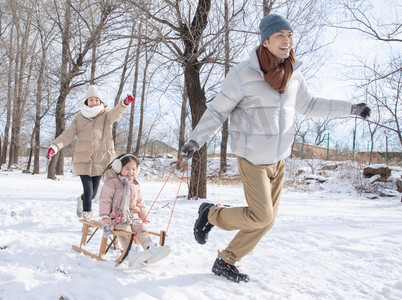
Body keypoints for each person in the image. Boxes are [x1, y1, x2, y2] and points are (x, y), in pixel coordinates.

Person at [181, 14, 371, 283]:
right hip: (252, 157)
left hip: (279, 158)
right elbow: (217, 110)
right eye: (280, 35)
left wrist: (351, 108)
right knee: (261, 214)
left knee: (266, 221)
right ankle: (210, 214)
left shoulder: (294, 73)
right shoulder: (243, 74)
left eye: (290, 35)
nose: (287, 40)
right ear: (266, 40)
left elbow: (311, 105)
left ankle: (226, 260)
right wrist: (194, 140)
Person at [46, 85, 135, 222]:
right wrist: (55, 147)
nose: (94, 102)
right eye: (91, 100)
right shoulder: (79, 118)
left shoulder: (105, 115)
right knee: (88, 191)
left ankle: (81, 200)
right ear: (86, 101)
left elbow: (115, 114)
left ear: (100, 101)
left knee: (92, 194)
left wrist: (124, 103)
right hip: (83, 160)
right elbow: (68, 134)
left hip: (101, 161)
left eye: (96, 100)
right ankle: (87, 221)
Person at [99, 154, 171, 268]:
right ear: (118, 167)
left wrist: (144, 217)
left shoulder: (135, 185)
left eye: (133, 169)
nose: (130, 172)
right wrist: (105, 217)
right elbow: (105, 200)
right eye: (127, 168)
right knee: (125, 231)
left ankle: (151, 249)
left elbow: (140, 203)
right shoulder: (112, 182)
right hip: (117, 217)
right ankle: (132, 252)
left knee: (141, 228)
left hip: (133, 216)